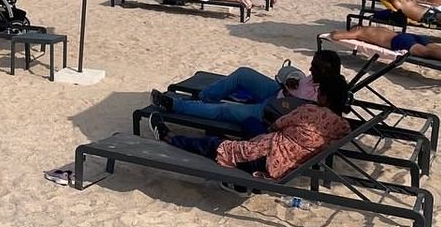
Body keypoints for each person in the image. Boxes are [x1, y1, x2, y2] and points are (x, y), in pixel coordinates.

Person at [149, 74, 352, 180]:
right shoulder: (343, 127)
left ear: (324, 97)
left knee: (214, 144)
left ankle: (168, 137)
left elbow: (277, 125)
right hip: (281, 150)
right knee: (247, 123)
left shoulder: (310, 111)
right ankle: (201, 102)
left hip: (269, 158)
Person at [150, 50, 344, 128]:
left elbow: (304, 116)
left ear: (327, 71)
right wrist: (293, 78)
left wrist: (289, 97)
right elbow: (293, 74)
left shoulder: (329, 93)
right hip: (275, 92)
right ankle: (204, 98)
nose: (310, 69)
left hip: (273, 111)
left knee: (225, 110)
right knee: (243, 74)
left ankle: (174, 105)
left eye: (315, 67)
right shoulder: (317, 77)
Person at [327, 26, 441, 73]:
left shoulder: (359, 31)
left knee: (427, 53)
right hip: (407, 35)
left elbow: (337, 36)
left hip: (398, 41)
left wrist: (335, 32)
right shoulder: (376, 28)